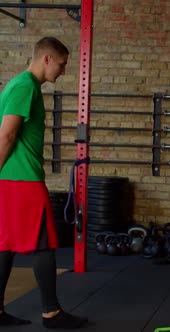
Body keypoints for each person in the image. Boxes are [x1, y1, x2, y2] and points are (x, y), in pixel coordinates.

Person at [0, 37, 88, 329]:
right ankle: (51, 313)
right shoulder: (25, 86)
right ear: (46, 59)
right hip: (21, 178)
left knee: (6, 245)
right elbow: (7, 135)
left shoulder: (24, 85)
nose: (63, 71)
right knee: (44, 243)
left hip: (12, 178)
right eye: (61, 64)